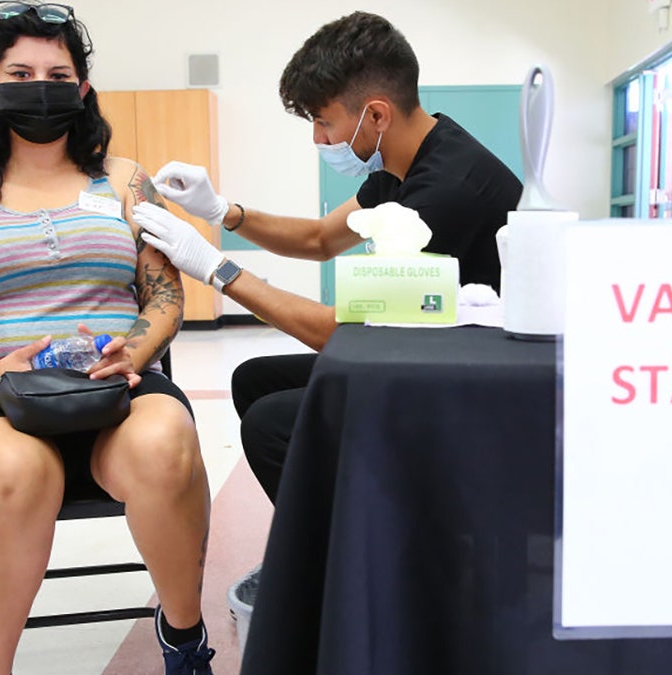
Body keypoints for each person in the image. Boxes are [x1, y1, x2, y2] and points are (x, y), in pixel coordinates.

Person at [0, 4, 213, 674]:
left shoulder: (127, 182)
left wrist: (132, 350)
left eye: (57, 72)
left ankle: (184, 639)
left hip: (115, 391)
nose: (39, 85)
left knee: (166, 444)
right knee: (17, 470)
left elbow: (164, 294)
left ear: (82, 88)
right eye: (20, 72)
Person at [134, 10, 522, 505]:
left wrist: (218, 270)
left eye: (323, 121)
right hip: (426, 353)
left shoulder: (443, 195)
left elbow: (344, 332)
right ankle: (334, 537)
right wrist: (221, 211)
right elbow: (320, 239)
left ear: (376, 115)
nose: (318, 138)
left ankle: (335, 570)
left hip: (463, 385)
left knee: (271, 425)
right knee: (256, 380)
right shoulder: (415, 156)